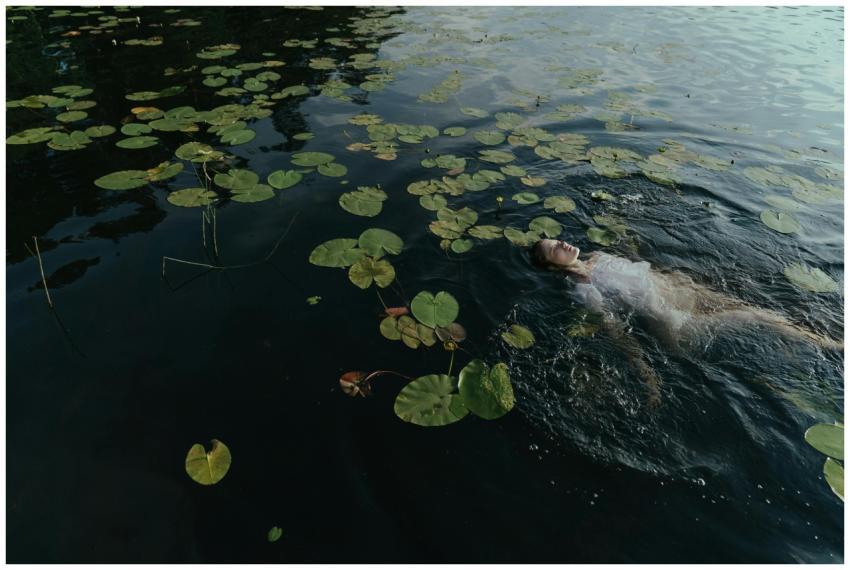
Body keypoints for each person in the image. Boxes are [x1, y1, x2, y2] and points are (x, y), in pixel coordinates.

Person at [530, 239, 842, 406]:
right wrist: (647, 374)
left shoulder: (597, 254)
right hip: (672, 317)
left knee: (751, 307)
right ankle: (824, 345)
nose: (562, 243)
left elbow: (641, 270)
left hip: (683, 290)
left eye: (558, 239)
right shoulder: (585, 290)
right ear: (552, 267)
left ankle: (798, 341)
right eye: (553, 249)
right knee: (753, 316)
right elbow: (616, 331)